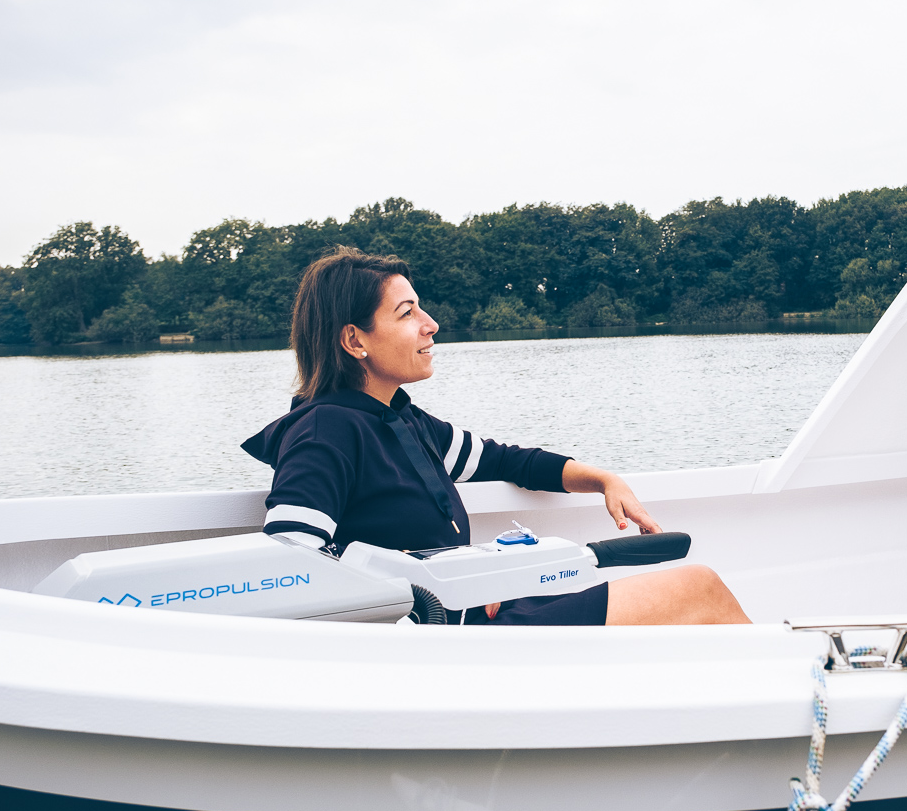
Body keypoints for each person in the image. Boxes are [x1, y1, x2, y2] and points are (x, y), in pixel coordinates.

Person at [242, 247, 749, 625]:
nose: (431, 325)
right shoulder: (325, 431)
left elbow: (507, 462)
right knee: (699, 588)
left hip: (484, 611)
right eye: (407, 313)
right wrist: (445, 584)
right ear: (355, 340)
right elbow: (292, 564)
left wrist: (602, 480)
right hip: (449, 639)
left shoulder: (402, 421)